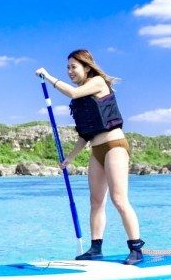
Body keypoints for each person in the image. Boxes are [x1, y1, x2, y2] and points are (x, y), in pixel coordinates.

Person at [35, 49, 145, 265]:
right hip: (96, 150)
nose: (69, 71)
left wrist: (48, 77)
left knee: (119, 199)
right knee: (95, 201)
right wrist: (69, 158)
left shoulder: (97, 83)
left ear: (86, 67)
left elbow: (73, 93)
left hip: (114, 146)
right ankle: (95, 249)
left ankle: (136, 248)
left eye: (73, 67)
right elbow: (84, 136)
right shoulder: (81, 100)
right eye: (67, 67)